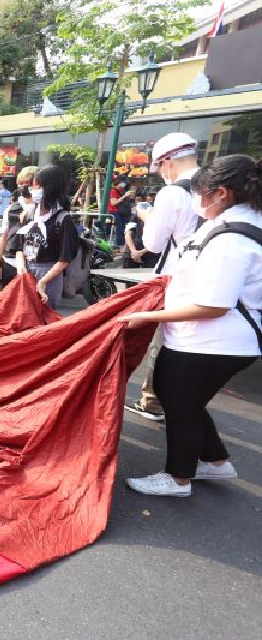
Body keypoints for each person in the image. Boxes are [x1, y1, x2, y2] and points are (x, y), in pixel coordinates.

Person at [120, 154, 262, 497]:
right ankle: (215, 462)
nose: (198, 202)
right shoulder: (232, 225)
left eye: (201, 195)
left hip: (210, 343)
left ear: (222, 194)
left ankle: (178, 478)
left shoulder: (231, 239)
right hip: (209, 342)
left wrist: (146, 317)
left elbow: (213, 305)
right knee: (185, 401)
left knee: (180, 404)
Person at [124, 132, 202, 422]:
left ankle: (155, 402)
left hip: (175, 279)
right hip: (211, 277)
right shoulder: (219, 185)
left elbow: (154, 244)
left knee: (163, 339)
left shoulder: (173, 192)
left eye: (159, 167)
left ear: (167, 162)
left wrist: (147, 217)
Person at [11, 165, 79, 310]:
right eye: (33, 187)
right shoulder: (29, 215)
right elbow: (18, 247)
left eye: (38, 187)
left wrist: (43, 281)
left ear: (51, 188)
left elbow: (65, 259)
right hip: (26, 271)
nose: (33, 191)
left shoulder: (63, 219)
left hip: (49, 275)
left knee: (42, 319)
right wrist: (21, 270)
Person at [0, 166, 39, 284]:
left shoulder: (44, 209)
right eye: (21, 183)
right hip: (10, 264)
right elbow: (4, 237)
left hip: (35, 267)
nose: (24, 187)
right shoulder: (11, 209)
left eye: (28, 183)